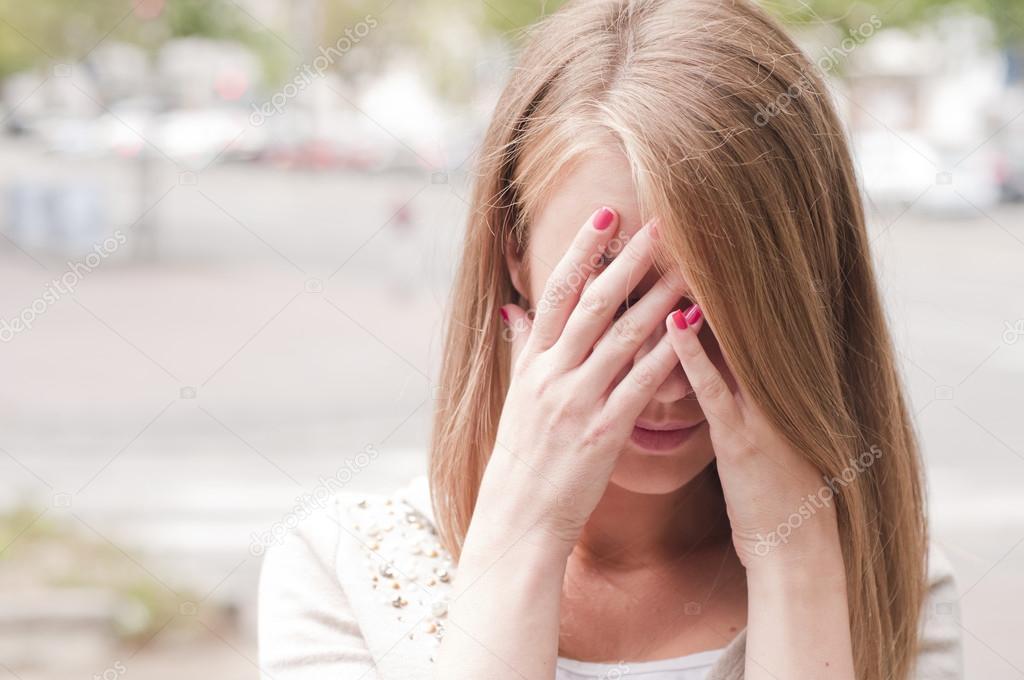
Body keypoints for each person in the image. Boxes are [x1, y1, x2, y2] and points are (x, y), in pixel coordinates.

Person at [258, 0, 963, 678]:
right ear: (514, 254)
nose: (668, 374)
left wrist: (797, 563)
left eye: (728, 302)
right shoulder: (345, 570)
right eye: (613, 297)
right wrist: (524, 535)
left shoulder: (892, 584)